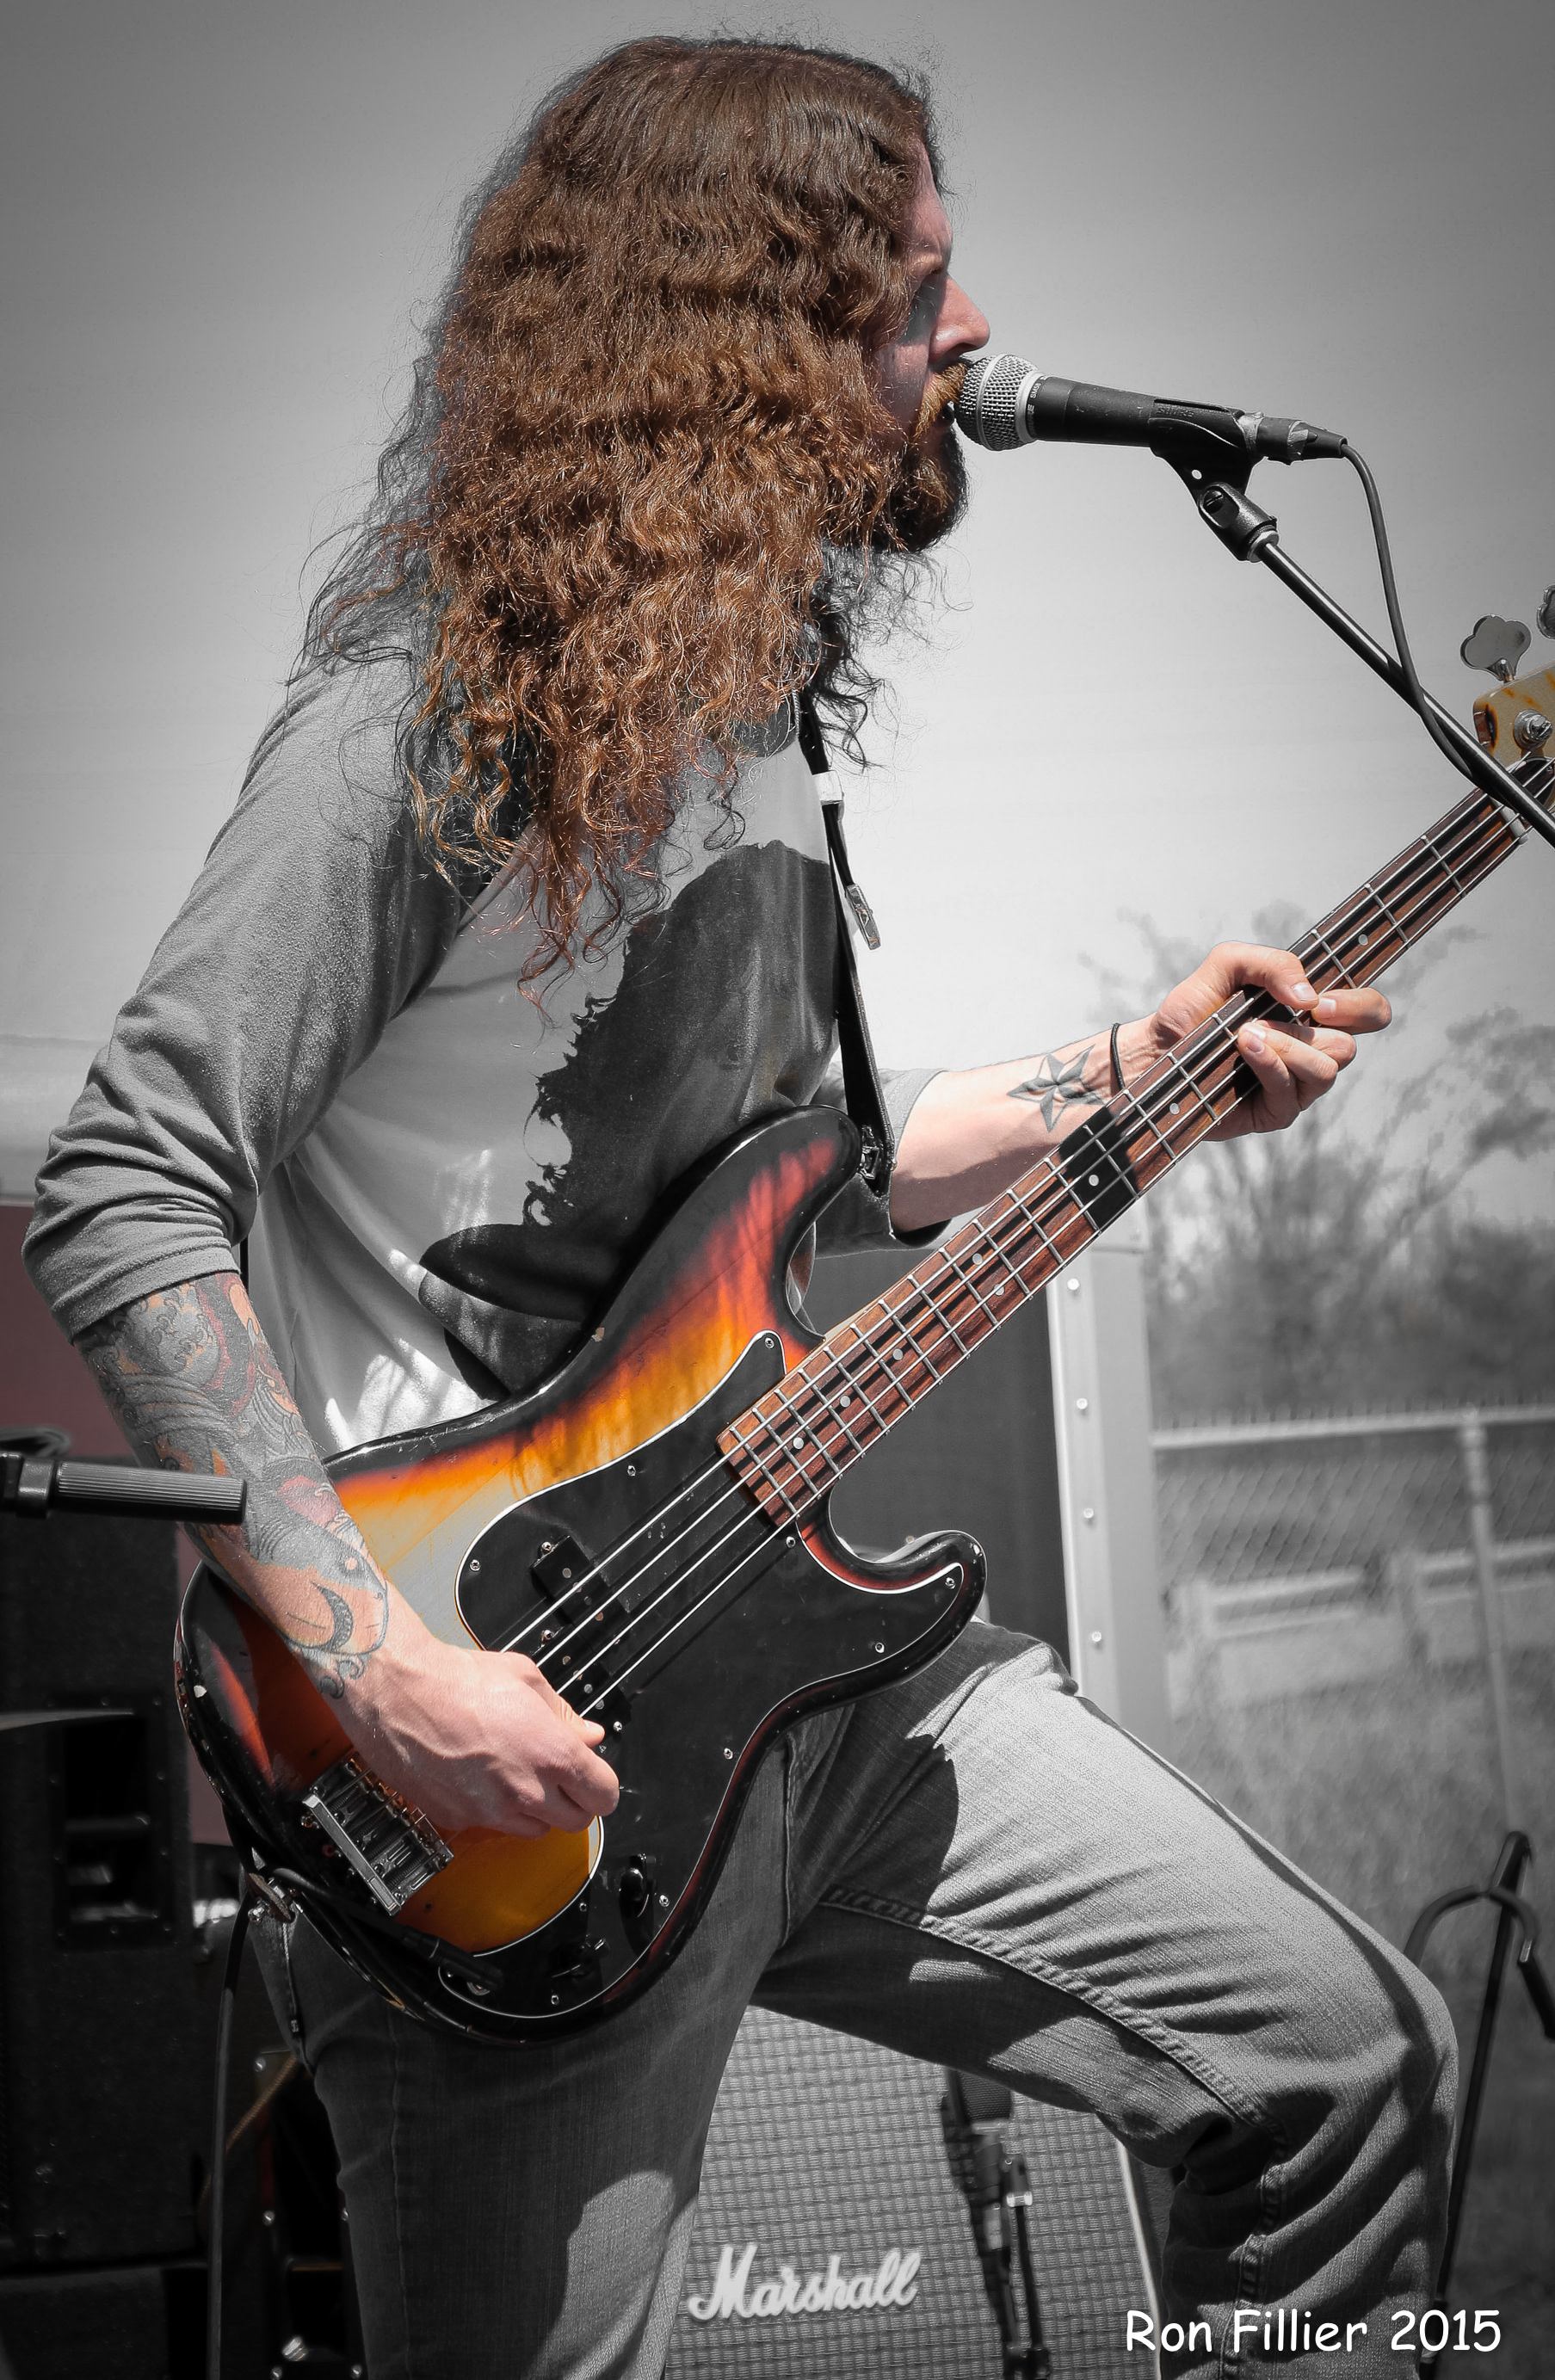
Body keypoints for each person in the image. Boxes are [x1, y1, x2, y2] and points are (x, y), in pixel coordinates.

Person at [25, 36, 1453, 2380]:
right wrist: (384, 1680)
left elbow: (810, 1179)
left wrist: (1140, 1074)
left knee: (1337, 2060)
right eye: (914, 287)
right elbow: (123, 1178)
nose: (972, 332)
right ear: (741, 336)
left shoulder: (747, 717)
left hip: (813, 1687)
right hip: (492, 1753)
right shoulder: (426, 717)